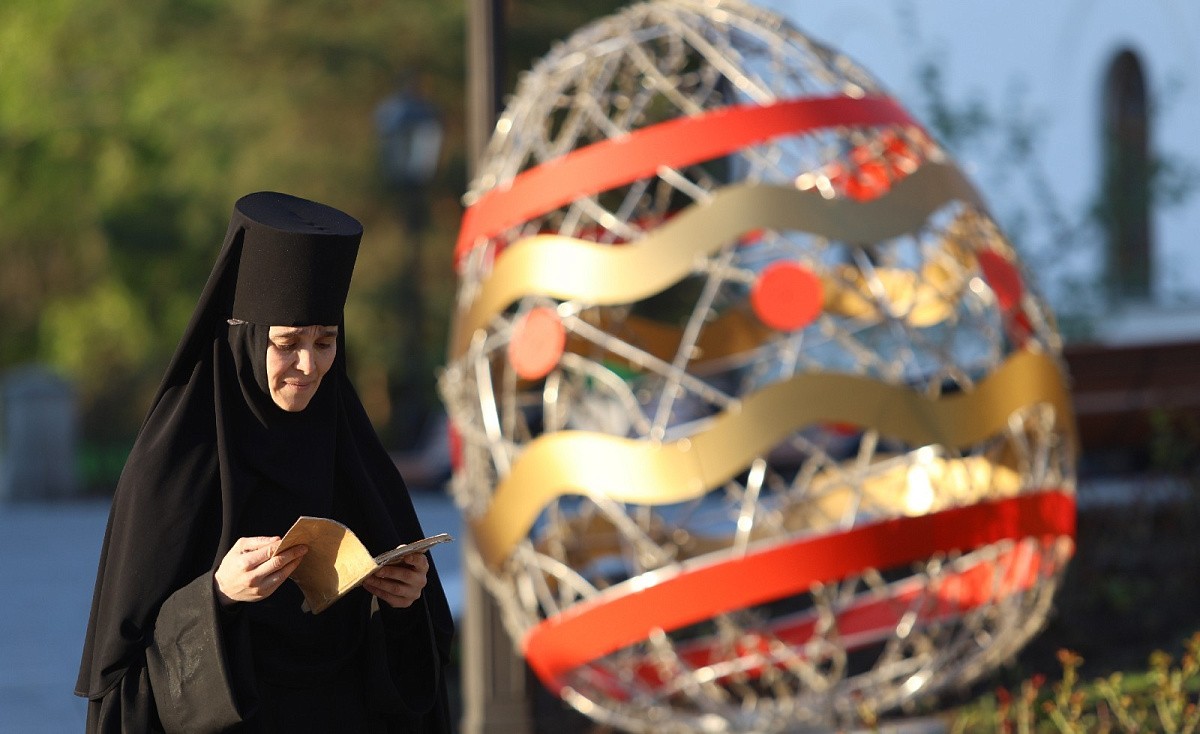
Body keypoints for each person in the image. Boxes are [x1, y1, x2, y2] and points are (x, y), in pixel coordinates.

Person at [75, 191, 454, 732]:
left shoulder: (355, 456)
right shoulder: (172, 469)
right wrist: (218, 596)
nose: (309, 365)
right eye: (287, 342)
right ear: (246, 339)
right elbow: (122, 685)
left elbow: (420, 671)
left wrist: (403, 603)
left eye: (325, 342)